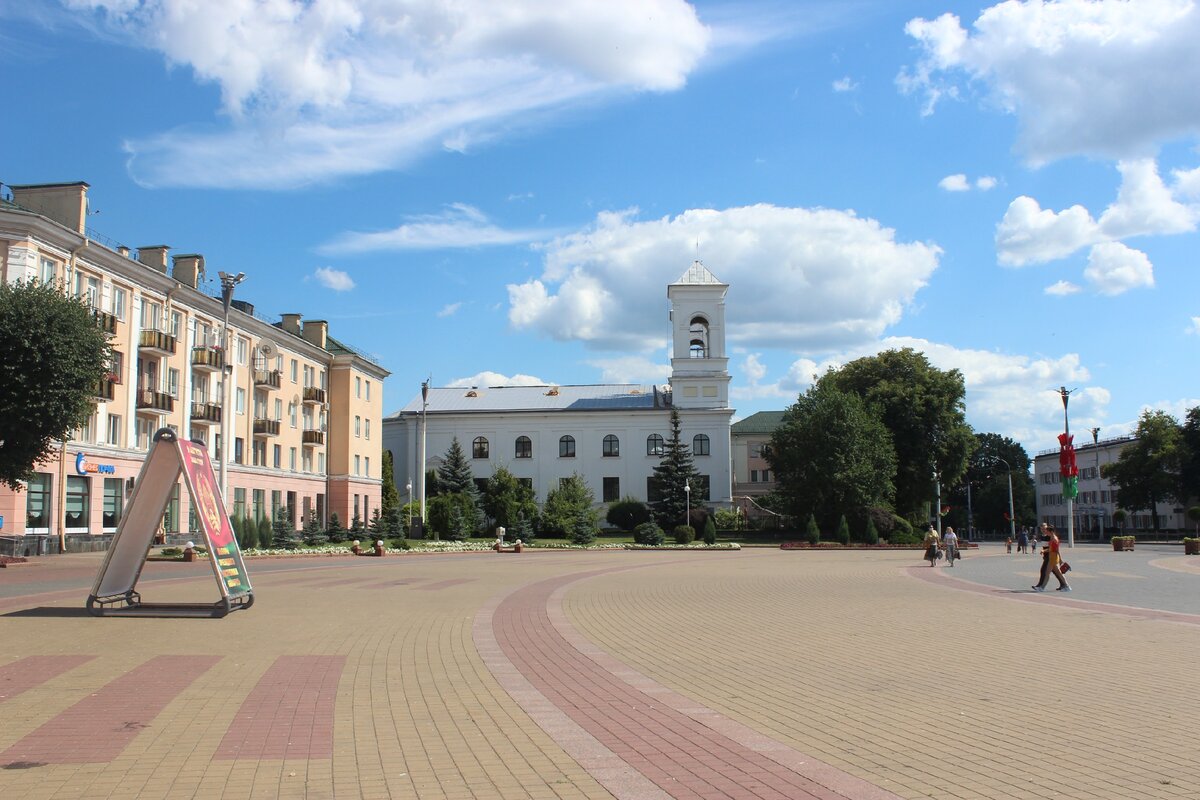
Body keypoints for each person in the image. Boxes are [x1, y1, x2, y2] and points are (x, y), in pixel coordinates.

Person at [1033, 523, 1070, 592]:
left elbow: (1056, 550)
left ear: (1051, 532)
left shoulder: (1054, 539)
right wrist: (1044, 551)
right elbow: (1051, 548)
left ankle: (1042, 587)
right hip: (1051, 557)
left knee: (1047, 572)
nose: (1045, 532)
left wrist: (1060, 560)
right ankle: (1066, 586)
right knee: (1057, 573)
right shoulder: (1052, 538)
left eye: (1047, 531)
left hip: (1053, 557)